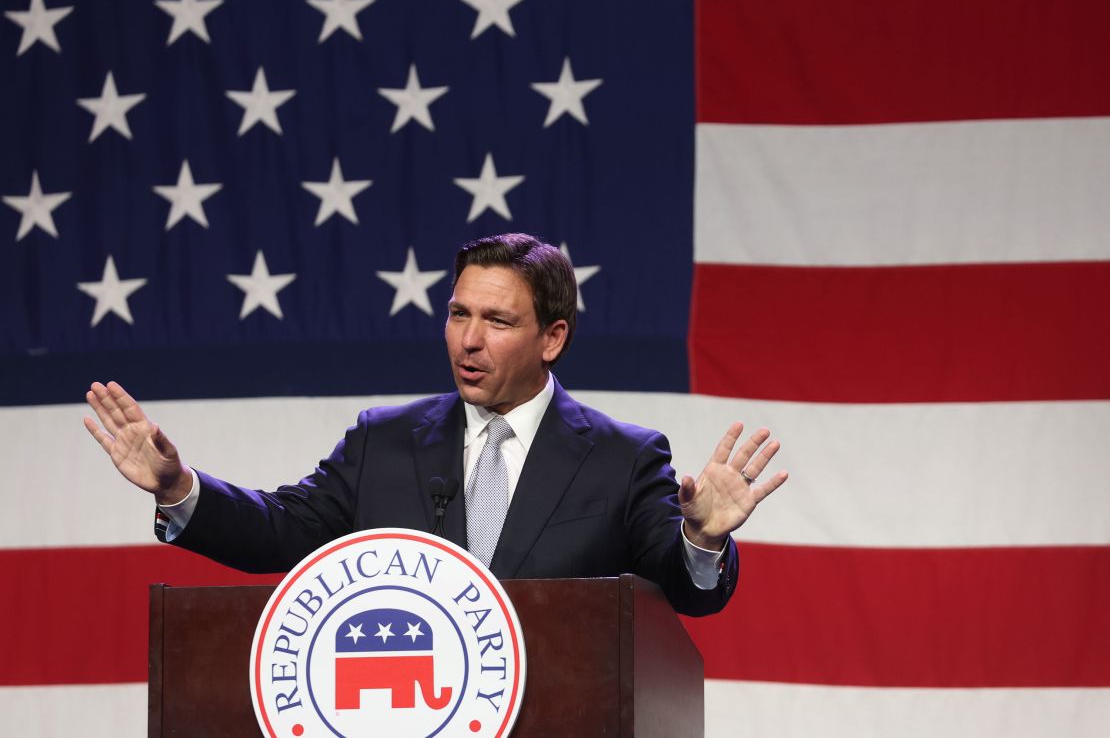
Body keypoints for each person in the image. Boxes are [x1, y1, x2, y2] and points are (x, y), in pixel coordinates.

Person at [84, 233, 787, 617]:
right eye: (458, 315)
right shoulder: (383, 441)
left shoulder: (622, 458)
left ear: (552, 337)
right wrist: (179, 488)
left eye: (497, 321)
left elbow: (686, 591)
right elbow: (281, 532)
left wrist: (699, 538)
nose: (467, 341)